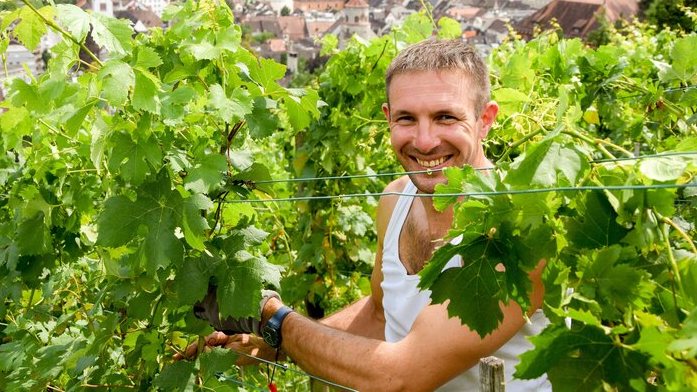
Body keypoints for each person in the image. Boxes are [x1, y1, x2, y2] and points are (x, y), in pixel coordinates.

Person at [183, 38, 550, 391]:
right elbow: (378, 313)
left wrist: (274, 319)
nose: (424, 141)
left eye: (445, 117)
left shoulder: (516, 227)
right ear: (388, 119)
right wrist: (271, 345)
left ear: (485, 119)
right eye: (407, 119)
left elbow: (400, 378)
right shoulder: (395, 201)